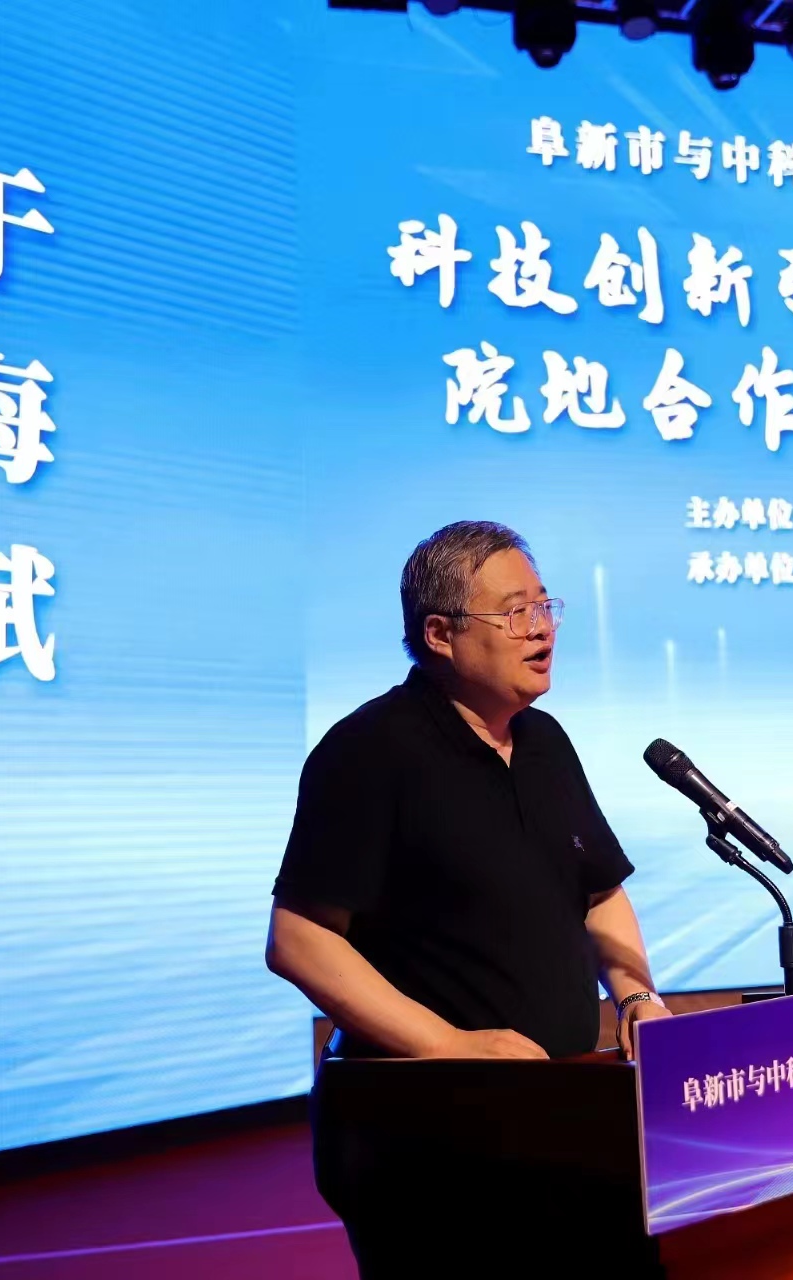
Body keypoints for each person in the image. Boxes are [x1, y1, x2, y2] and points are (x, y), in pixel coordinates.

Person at [266, 520, 669, 1276]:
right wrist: (447, 1044)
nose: (542, 628)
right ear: (440, 634)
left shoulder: (545, 743)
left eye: (545, 606)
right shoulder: (369, 751)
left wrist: (636, 994)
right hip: (432, 1136)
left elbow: (598, 892)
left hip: (572, 1115)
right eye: (515, 612)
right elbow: (299, 939)